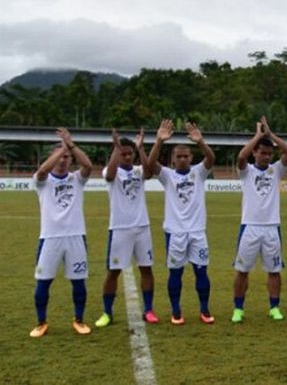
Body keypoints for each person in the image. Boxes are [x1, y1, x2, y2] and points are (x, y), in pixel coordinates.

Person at [147, 119, 216, 325]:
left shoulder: (199, 173)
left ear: (191, 157)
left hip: (197, 232)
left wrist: (201, 141)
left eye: (186, 156)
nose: (183, 159)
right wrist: (159, 141)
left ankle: (204, 309)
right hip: (175, 233)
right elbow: (150, 165)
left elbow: (211, 158)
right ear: (173, 160)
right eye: (179, 156)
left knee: (201, 271)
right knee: (175, 272)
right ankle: (176, 310)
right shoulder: (167, 176)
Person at [30, 128, 94, 337]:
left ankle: (79, 319)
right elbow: (41, 171)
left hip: (75, 236)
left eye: (67, 157)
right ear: (53, 158)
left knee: (78, 282)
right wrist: (61, 149)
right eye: (60, 157)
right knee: (43, 282)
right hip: (49, 238)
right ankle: (41, 322)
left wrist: (71, 146)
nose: (63, 160)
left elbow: (88, 166)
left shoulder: (77, 179)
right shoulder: (43, 181)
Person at [231, 117, 287, 323]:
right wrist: (257, 136)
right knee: (242, 270)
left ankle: (274, 307)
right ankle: (238, 309)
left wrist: (270, 135)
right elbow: (241, 156)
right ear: (255, 153)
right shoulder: (246, 171)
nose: (266, 157)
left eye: (269, 153)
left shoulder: (276, 170)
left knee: (274, 271)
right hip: (249, 227)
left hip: (271, 228)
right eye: (262, 152)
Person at [95, 129, 158, 328]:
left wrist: (141, 148)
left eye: (130, 153)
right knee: (113, 272)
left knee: (146, 269)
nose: (128, 156)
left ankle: (148, 310)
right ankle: (107, 312)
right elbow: (110, 175)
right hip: (120, 228)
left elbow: (149, 171)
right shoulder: (110, 170)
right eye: (124, 153)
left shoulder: (139, 170)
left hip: (142, 227)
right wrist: (116, 148)